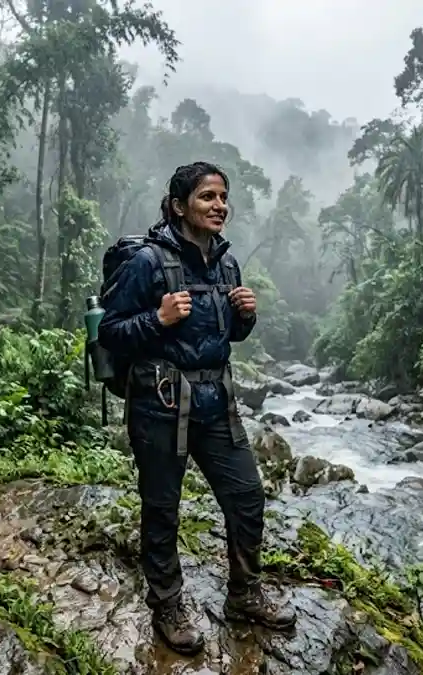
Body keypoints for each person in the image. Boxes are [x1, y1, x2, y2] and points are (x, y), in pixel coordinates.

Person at [97, 161, 295, 656]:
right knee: (162, 507)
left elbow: (224, 335)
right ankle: (168, 604)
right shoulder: (147, 262)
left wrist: (246, 317)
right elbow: (111, 330)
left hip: (216, 402)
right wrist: (158, 319)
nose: (219, 206)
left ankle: (245, 593)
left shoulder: (227, 264)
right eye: (207, 197)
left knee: (247, 495)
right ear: (180, 205)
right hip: (160, 402)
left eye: (223, 197)